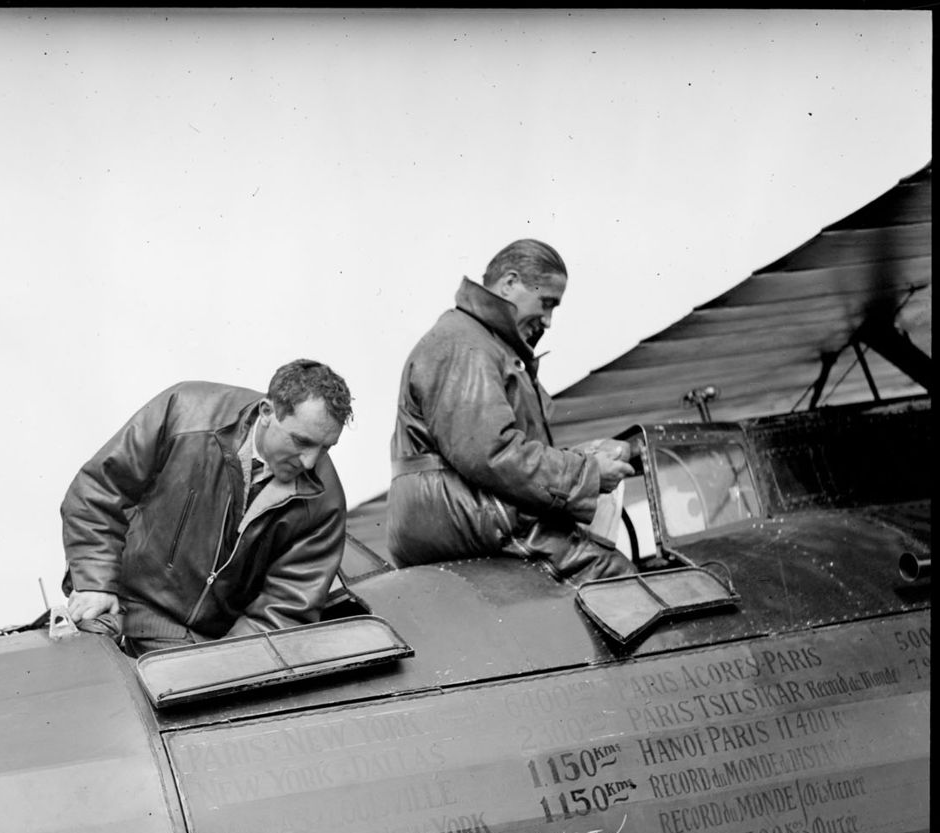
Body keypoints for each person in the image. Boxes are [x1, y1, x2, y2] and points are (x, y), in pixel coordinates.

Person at [61, 359, 352, 655]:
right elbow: (99, 488)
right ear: (267, 412)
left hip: (200, 644)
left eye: (325, 447)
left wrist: (216, 668)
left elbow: (283, 613)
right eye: (301, 441)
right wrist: (95, 583)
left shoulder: (325, 505)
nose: (310, 462)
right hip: (118, 604)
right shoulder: (184, 412)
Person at [387, 238, 636, 584]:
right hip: (473, 516)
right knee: (617, 579)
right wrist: (587, 474)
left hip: (466, 512)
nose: (548, 321)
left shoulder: (480, 342)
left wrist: (581, 459)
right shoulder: (467, 344)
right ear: (509, 283)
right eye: (546, 303)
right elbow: (491, 452)